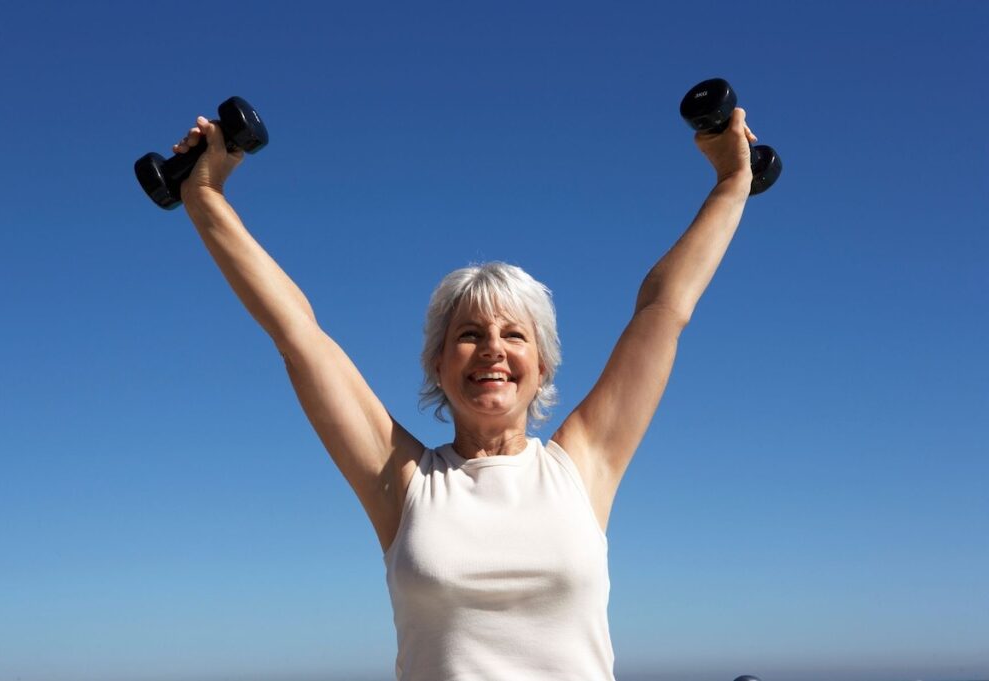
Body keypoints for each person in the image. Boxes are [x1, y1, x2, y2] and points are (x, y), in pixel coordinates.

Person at [171, 105, 759, 680]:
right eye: (469, 335)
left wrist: (732, 182)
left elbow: (663, 309)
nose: (493, 350)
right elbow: (298, 335)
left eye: (514, 335)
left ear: (544, 366)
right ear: (436, 363)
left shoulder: (582, 465)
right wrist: (205, 200)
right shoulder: (402, 481)